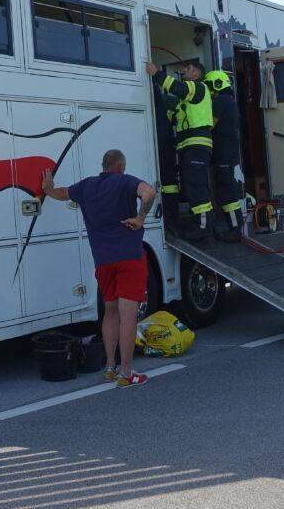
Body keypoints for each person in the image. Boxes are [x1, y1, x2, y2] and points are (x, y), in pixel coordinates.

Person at [41, 150, 157, 387]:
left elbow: (61, 194)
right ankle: (126, 373)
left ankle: (110, 367)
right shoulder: (126, 181)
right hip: (129, 259)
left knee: (110, 312)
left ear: (103, 166)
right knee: (128, 315)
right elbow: (149, 192)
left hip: (103, 261)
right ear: (121, 166)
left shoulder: (86, 186)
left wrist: (47, 188)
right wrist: (140, 219)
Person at [146, 58, 213, 241]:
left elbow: (179, 89)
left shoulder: (197, 87)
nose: (184, 70)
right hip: (189, 147)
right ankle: (199, 225)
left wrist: (156, 74)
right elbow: (174, 111)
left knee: (196, 186)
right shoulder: (187, 100)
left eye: (188, 68)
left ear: (196, 73)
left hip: (196, 145)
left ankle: (204, 227)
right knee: (190, 186)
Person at [204, 70, 244, 242]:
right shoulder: (230, 101)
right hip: (227, 152)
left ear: (217, 84)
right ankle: (233, 227)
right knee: (225, 190)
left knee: (226, 193)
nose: (209, 90)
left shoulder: (220, 101)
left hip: (223, 153)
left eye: (209, 85)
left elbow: (210, 124)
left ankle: (235, 229)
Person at [152, 83, 181, 230]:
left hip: (154, 146)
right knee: (170, 183)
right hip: (167, 145)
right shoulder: (171, 101)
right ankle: (172, 219)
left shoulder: (148, 99)